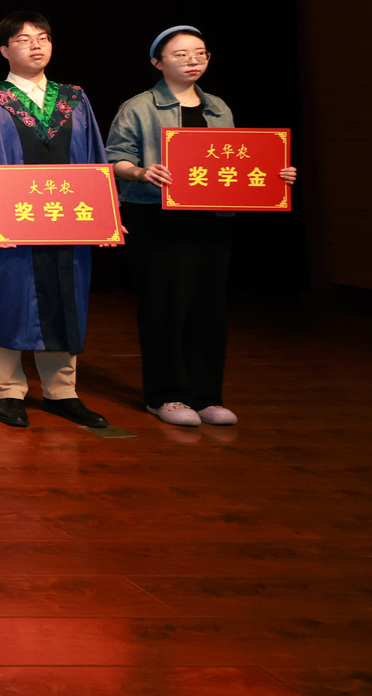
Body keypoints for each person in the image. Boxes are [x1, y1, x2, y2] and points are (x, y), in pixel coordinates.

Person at [106, 26, 296, 428]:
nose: (192, 60)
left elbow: (236, 161)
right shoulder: (139, 106)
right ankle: (166, 395)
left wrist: (275, 173)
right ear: (157, 62)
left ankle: (207, 396)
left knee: (209, 308)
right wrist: (140, 172)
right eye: (180, 54)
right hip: (158, 218)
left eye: (200, 53)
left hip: (211, 219)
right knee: (165, 307)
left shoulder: (219, 108)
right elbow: (114, 158)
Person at [0, 10, 111, 430]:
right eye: (24, 40)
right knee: (9, 300)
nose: (36, 46)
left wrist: (105, 216)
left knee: (66, 300)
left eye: (43, 37)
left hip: (67, 224)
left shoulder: (74, 99)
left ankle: (62, 392)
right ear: (4, 51)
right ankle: (8, 391)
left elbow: (94, 161)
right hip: (11, 225)